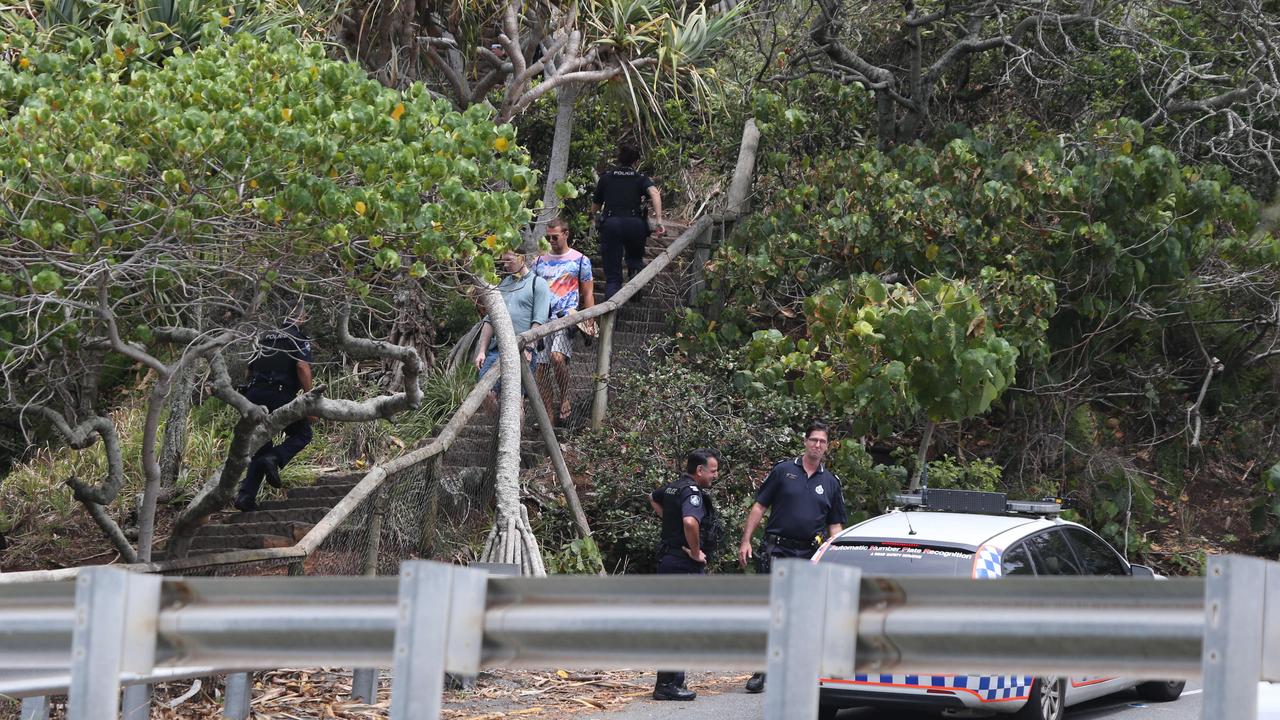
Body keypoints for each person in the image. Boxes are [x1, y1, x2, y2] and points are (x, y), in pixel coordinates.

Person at [736, 420, 846, 694]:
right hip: (778, 550)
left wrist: (837, 556)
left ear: (827, 447)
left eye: (822, 442)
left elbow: (835, 526)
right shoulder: (784, 471)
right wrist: (746, 540)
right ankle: (762, 671)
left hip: (809, 553)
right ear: (805, 441)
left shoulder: (831, 483)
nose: (817, 445)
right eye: (813, 440)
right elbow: (760, 506)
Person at [649, 448, 723, 701]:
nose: (715, 475)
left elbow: (653, 497)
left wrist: (670, 520)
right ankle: (669, 684)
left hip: (668, 560)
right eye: (713, 471)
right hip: (683, 564)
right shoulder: (691, 493)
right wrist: (695, 551)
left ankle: (668, 682)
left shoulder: (672, 488)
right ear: (699, 470)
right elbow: (691, 523)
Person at [234, 312, 315, 512]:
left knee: (261, 443)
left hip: (252, 396)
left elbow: (248, 370)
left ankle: (246, 497)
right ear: (301, 318)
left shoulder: (264, 338)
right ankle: (276, 458)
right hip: (279, 394)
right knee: (303, 433)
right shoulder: (298, 338)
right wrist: (310, 402)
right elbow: (302, 367)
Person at [532, 217, 596, 425]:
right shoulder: (539, 261)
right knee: (540, 369)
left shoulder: (580, 260)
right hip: (542, 319)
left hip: (566, 316)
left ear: (566, 234)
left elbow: (587, 293)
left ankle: (565, 396)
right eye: (548, 237)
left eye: (555, 237)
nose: (551, 241)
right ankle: (548, 416)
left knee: (557, 357)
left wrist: (589, 319)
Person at [473, 250, 551, 414]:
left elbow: (539, 320)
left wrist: (529, 348)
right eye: (503, 261)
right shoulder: (503, 284)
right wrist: (481, 351)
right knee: (484, 393)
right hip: (496, 350)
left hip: (521, 350)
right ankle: (500, 429)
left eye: (509, 260)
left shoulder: (538, 283)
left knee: (516, 401)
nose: (505, 265)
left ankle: (512, 435)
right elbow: (490, 320)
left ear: (522, 258)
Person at [592, 143, 665, 300]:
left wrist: (592, 219)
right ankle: (634, 293)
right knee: (635, 261)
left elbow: (595, 206)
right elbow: (654, 192)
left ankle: (611, 306)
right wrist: (659, 221)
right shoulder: (640, 179)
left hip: (611, 224)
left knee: (612, 274)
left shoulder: (606, 178)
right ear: (636, 162)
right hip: (634, 224)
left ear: (618, 160)